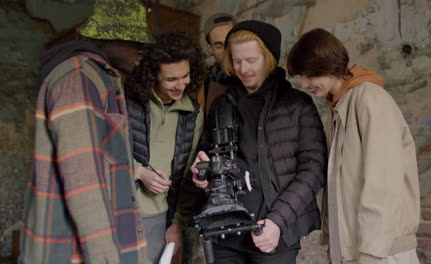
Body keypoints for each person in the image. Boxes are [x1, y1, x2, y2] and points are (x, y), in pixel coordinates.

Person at [18, 0, 154, 263]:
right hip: (72, 252)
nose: (142, 49)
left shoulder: (98, 77)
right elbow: (83, 177)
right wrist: (105, 257)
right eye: (134, 40)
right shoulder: (79, 77)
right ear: (106, 38)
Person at [191, 20, 327, 263]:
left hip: (274, 233)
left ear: (269, 59)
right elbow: (206, 152)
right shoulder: (222, 105)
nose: (243, 68)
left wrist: (277, 221)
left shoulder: (297, 105)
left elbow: (314, 170)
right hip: (226, 233)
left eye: (251, 60)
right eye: (237, 60)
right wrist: (201, 168)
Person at [287, 28, 420, 264]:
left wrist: (370, 253)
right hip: (355, 247)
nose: (304, 83)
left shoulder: (369, 99)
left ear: (327, 65)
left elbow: (384, 182)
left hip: (381, 251)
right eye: (301, 76)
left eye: (309, 75)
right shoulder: (339, 107)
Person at [124, 31, 207, 263]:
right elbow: (100, 153)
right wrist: (139, 172)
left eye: (186, 76)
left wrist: (178, 223)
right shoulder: (126, 102)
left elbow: (191, 177)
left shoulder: (193, 115)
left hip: (159, 218)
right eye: (171, 79)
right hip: (118, 212)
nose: (180, 85)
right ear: (152, 76)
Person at [202, 12, 237, 116]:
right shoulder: (203, 83)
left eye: (231, 43)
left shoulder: (256, 80)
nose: (227, 51)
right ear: (210, 48)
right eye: (219, 46)